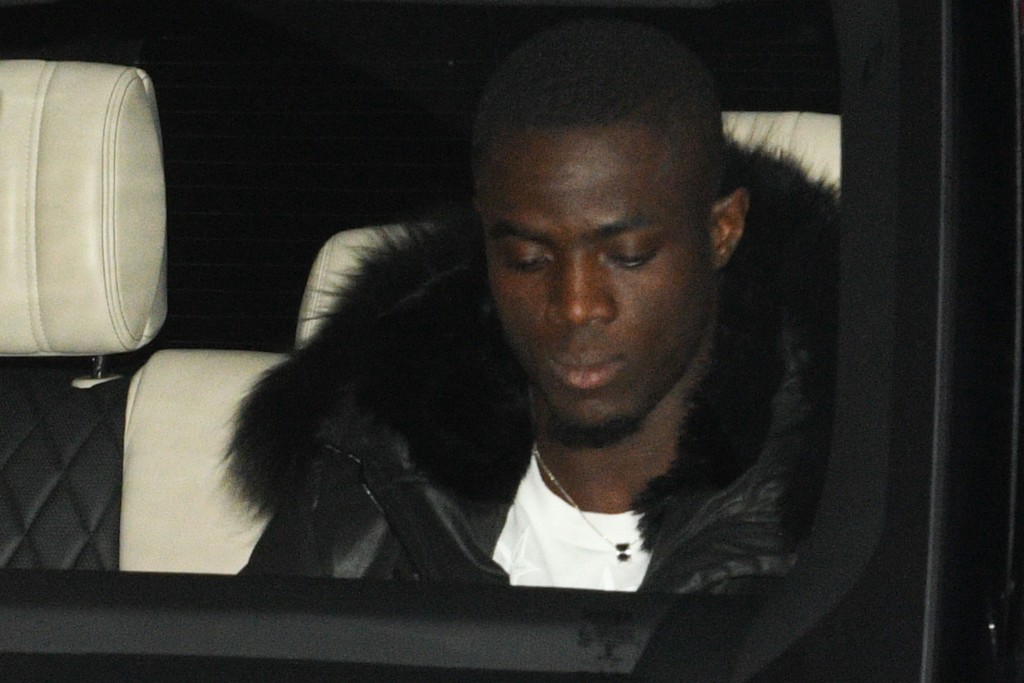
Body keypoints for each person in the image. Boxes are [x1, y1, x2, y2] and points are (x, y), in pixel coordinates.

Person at [230, 18, 837, 593]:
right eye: (528, 259)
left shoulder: (842, 505)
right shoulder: (375, 470)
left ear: (722, 232)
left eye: (627, 256)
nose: (576, 306)